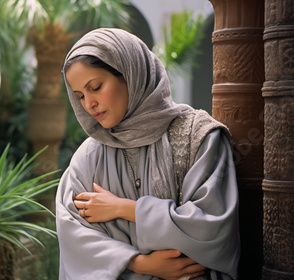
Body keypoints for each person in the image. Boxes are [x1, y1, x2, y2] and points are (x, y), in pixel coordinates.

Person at [55, 28, 240, 280]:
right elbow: (73, 234)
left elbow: (212, 226)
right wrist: (139, 263)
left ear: (130, 74)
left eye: (95, 87)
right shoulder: (88, 156)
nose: (88, 104)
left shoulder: (198, 136)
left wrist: (126, 209)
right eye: (80, 96)